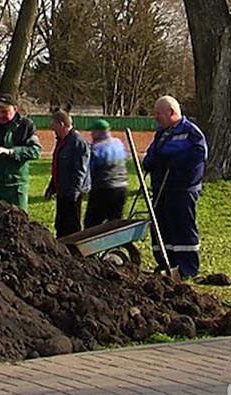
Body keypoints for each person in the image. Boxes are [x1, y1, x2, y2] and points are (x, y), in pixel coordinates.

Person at [142, 96, 208, 278]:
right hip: (161, 190)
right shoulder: (161, 133)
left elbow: (197, 156)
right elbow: (152, 155)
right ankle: (166, 263)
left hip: (182, 190)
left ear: (171, 112)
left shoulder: (191, 133)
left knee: (182, 228)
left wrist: (171, 161)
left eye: (158, 114)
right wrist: (151, 162)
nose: (156, 118)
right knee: (161, 228)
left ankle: (187, 268)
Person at [0, 93, 42, 212]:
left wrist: (11, 152)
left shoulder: (26, 126)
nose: (0, 115)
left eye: (4, 111)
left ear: (15, 109)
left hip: (16, 185)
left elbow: (35, 151)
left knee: (18, 221)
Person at [45, 109, 91, 238]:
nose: (54, 132)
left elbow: (80, 170)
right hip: (62, 190)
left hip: (71, 192)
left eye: (54, 128)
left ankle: (73, 250)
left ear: (61, 125)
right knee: (60, 224)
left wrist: (74, 192)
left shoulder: (77, 142)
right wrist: (52, 186)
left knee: (71, 225)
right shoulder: (61, 141)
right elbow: (58, 167)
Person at [84, 119, 129, 228]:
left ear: (99, 132)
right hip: (121, 187)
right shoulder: (118, 143)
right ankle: (116, 243)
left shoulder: (96, 148)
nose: (91, 134)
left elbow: (90, 168)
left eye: (93, 131)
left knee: (92, 222)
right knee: (115, 221)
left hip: (102, 188)